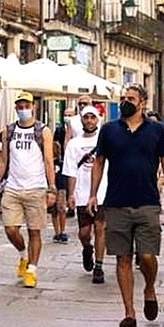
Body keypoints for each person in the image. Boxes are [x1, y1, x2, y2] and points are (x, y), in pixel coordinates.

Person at [88, 83, 164, 327]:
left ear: (142, 103)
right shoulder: (108, 130)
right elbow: (99, 162)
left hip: (147, 201)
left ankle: (149, 288)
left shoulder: (157, 131)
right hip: (116, 202)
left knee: (147, 256)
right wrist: (93, 194)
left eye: (130, 98)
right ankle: (129, 312)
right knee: (122, 258)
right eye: (123, 97)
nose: (125, 101)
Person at [0, 92, 56, 288]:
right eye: (19, 106)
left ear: (33, 106)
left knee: (34, 231)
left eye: (26, 105)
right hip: (13, 187)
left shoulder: (43, 131)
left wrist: (52, 187)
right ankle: (23, 254)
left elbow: (48, 160)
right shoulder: (8, 131)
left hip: (36, 188)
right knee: (10, 229)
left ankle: (32, 270)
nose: (22, 109)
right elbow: (3, 160)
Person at [63, 106, 107, 284]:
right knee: (84, 232)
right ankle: (87, 248)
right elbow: (71, 170)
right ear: (81, 120)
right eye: (86, 117)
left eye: (92, 117)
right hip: (82, 192)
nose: (89, 120)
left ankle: (99, 266)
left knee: (100, 227)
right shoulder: (74, 144)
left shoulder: (105, 141)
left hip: (102, 191)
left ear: (98, 120)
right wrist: (71, 194)